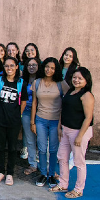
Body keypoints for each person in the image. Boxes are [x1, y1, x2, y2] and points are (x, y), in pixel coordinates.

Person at [51, 67, 94, 198]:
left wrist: (80, 136)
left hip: (79, 132)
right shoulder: (70, 91)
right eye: (74, 77)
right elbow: (63, 110)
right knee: (62, 157)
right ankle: (63, 184)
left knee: (78, 161)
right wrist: (60, 128)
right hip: (66, 130)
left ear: (86, 80)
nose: (76, 80)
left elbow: (88, 117)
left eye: (80, 78)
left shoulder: (87, 95)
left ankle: (78, 189)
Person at [31, 57, 69, 187]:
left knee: (53, 149)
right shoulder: (37, 82)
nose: (49, 70)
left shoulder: (61, 83)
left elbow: (69, 99)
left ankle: (51, 175)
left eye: (52, 68)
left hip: (55, 122)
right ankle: (43, 173)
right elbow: (34, 103)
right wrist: (32, 122)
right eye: (47, 67)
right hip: (40, 120)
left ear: (56, 69)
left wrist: (63, 122)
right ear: (43, 67)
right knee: (41, 148)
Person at [0, 57, 28, 186]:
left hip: (14, 121)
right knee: (1, 147)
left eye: (12, 66)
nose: (9, 68)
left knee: (12, 148)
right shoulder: (0, 80)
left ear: (17, 67)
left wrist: (17, 115)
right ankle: (1, 171)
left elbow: (23, 102)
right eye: (6, 66)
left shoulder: (21, 83)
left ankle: (10, 173)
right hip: (0, 120)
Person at [20, 57, 40, 175]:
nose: (31, 67)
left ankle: (44, 165)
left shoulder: (42, 80)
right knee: (29, 139)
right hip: (26, 111)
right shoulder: (22, 80)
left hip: (41, 112)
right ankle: (33, 164)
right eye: (29, 65)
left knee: (43, 140)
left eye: (34, 65)